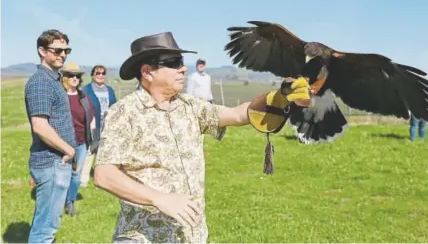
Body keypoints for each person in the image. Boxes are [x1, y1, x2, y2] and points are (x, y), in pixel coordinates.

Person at [92, 31, 312, 243]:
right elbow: (104, 174)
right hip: (143, 236)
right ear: (147, 72)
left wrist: (279, 96)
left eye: (182, 61)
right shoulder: (124, 112)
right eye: (173, 62)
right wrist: (158, 198)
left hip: (191, 236)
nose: (183, 69)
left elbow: (236, 114)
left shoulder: (189, 106)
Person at [25, 29, 76, 243]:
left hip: (57, 162)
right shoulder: (40, 81)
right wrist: (69, 150)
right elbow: (40, 125)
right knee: (45, 228)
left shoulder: (53, 80)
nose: (63, 55)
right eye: (57, 50)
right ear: (42, 51)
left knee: (48, 222)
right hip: (51, 162)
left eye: (66, 50)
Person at [60, 62, 96, 216]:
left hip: (81, 142)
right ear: (64, 77)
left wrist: (93, 139)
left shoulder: (83, 97)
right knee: (61, 174)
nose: (74, 78)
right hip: (62, 142)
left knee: (76, 175)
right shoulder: (60, 96)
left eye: (78, 76)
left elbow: (91, 118)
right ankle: (57, 203)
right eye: (70, 75)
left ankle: (70, 202)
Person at [80, 65, 117, 186]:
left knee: (105, 153)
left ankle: (103, 180)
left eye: (103, 73)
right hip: (93, 124)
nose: (100, 75)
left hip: (107, 125)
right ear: (92, 75)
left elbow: (114, 106)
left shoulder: (110, 90)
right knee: (91, 151)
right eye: (97, 73)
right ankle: (83, 179)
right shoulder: (86, 90)